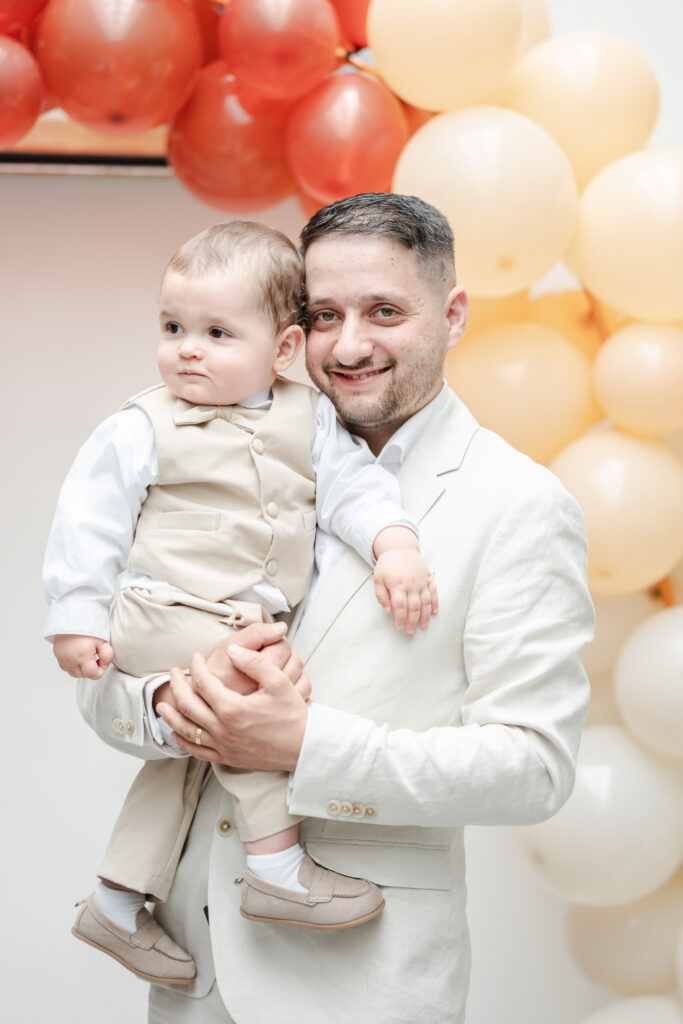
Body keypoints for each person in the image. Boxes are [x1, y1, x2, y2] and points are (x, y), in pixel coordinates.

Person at [76, 193, 594, 1024]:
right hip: (191, 980)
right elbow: (110, 671)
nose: (349, 346)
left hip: (362, 988)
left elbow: (531, 769)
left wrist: (306, 746)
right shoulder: (200, 447)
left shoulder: (519, 504)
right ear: (291, 326)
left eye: (385, 311)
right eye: (324, 315)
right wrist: (167, 706)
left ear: (452, 315)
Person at [43, 220, 440, 984]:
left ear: (283, 350)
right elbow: (86, 520)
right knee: (252, 706)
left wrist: (394, 543)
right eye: (173, 327)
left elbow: (354, 489)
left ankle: (118, 896)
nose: (187, 348)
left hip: (237, 620)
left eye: (217, 332)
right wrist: (76, 618)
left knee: (197, 746)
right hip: (167, 611)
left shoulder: (310, 416)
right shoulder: (142, 425)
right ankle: (278, 868)